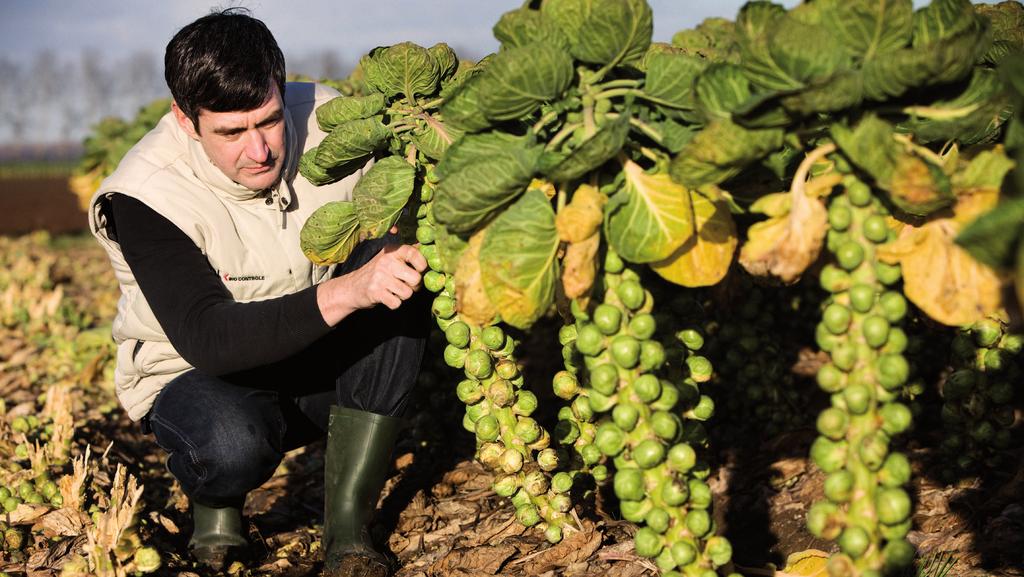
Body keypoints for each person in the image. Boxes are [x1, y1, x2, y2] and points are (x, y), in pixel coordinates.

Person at [88, 8, 428, 577]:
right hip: (198, 374)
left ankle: (347, 532)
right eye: (231, 132)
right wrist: (347, 292)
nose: (260, 150)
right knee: (231, 445)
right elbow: (209, 339)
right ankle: (216, 506)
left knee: (397, 278)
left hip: (313, 351)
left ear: (281, 84)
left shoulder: (328, 117)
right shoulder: (145, 195)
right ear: (185, 118)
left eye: (268, 121)